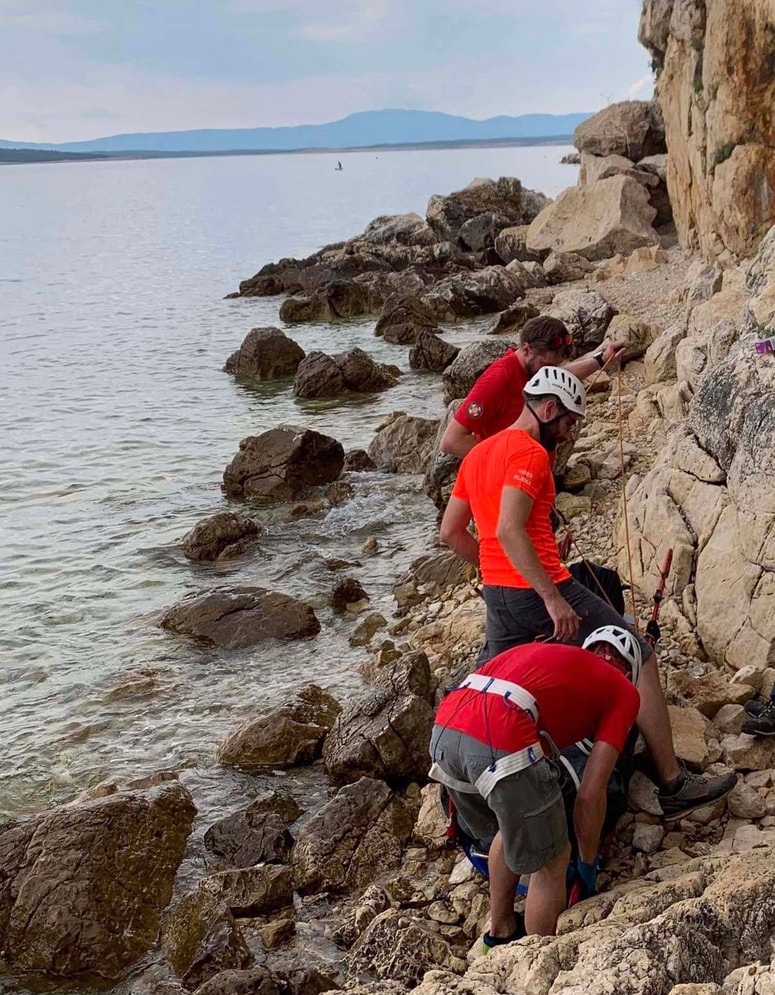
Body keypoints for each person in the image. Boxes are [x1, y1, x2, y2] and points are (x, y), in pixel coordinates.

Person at [439, 366, 738, 820]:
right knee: (638, 654)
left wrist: (495, 567)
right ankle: (673, 782)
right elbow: (509, 527)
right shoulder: (530, 453)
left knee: (501, 689)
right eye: (569, 421)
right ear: (548, 408)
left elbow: (451, 532)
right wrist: (551, 596)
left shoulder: (480, 454)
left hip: (501, 594)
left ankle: (481, 801)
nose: (571, 432)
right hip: (541, 589)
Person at [429, 627, 642, 945]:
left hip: (445, 730)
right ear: (629, 674)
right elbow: (590, 794)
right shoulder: (624, 692)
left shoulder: (549, 660)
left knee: (510, 821)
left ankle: (500, 932)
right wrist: (586, 862)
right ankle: (538, 955)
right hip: (499, 734)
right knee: (553, 858)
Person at [439, 315, 625, 460]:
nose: (551, 373)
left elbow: (560, 378)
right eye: (547, 366)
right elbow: (451, 441)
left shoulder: (536, 371)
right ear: (526, 349)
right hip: (507, 478)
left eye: (555, 367)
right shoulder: (498, 379)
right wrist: (499, 464)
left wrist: (601, 359)